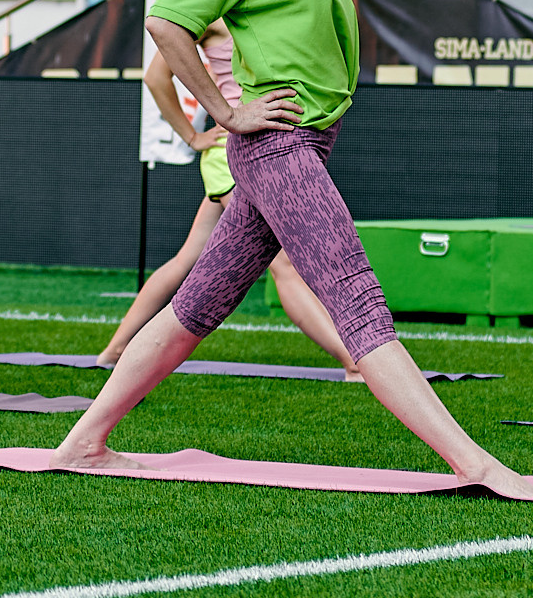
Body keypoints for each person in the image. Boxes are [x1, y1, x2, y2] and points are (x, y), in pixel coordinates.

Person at [51, 0, 533, 496]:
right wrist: (227, 112)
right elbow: (166, 24)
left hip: (307, 140)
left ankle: (82, 442)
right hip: (276, 142)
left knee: (197, 306)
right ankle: (478, 464)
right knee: (357, 300)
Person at [95, 21, 360, 379]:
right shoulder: (211, 14)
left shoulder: (263, 5)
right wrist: (192, 137)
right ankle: (353, 362)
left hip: (256, 152)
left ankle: (115, 349)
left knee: (187, 259)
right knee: (284, 266)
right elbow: (156, 78)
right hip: (236, 154)